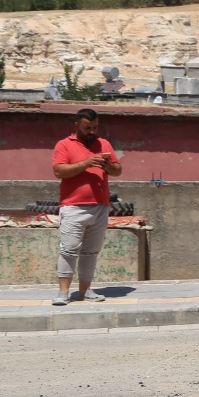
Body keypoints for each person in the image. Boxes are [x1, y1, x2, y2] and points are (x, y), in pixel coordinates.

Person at [50, 108, 122, 306]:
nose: (92, 131)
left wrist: (107, 166)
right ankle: (63, 292)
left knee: (91, 252)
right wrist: (87, 163)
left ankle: (85, 290)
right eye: (87, 128)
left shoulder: (103, 143)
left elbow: (118, 170)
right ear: (76, 126)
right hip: (73, 207)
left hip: (99, 206)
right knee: (69, 250)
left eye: (95, 127)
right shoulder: (64, 145)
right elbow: (59, 171)